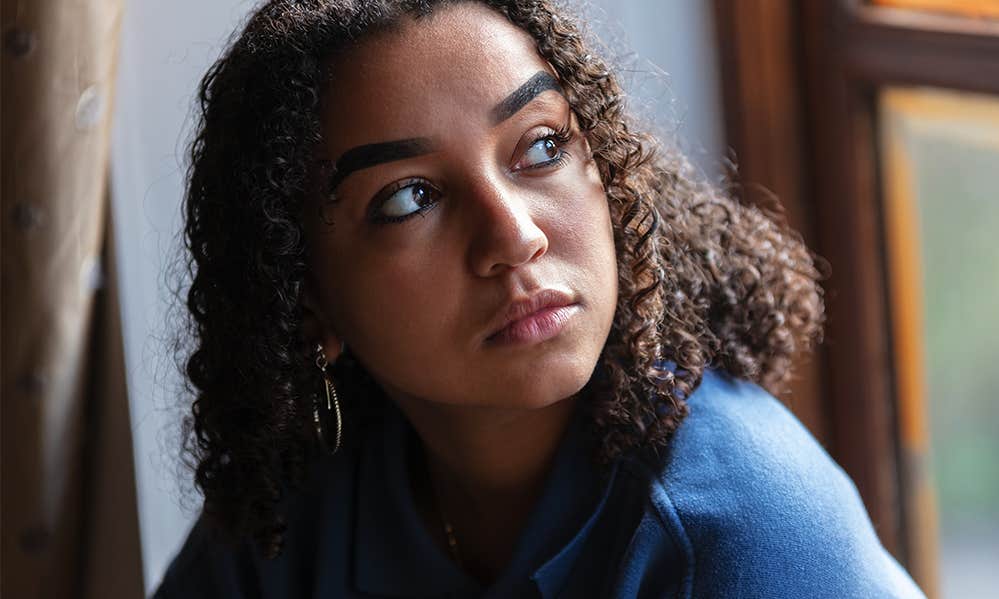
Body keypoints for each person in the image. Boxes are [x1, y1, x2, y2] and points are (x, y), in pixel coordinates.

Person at [155, 0, 926, 597]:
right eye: (408, 198)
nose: (514, 236)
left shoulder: (749, 533)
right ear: (308, 298)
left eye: (542, 146)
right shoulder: (302, 510)